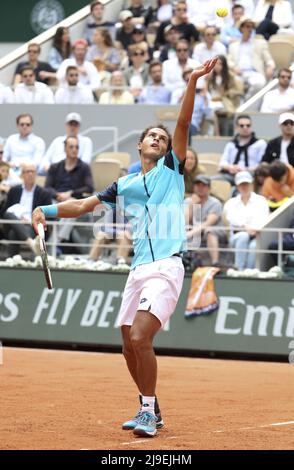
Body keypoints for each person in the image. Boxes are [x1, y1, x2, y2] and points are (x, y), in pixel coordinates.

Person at [32, 58, 217, 438]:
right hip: (138, 269)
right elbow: (83, 206)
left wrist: (194, 81)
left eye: (162, 140)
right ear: (139, 144)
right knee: (127, 347)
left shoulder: (171, 171)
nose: (158, 140)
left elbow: (182, 124)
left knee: (140, 338)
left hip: (167, 265)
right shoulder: (126, 184)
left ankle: (147, 413)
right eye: (152, 136)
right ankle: (151, 407)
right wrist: (44, 209)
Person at [1, 163, 52, 256]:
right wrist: (19, 220)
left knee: (14, 233)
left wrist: (31, 221)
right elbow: (4, 211)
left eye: (32, 171)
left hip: (33, 225)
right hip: (15, 222)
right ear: (22, 175)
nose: (30, 174)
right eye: (27, 171)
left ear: (36, 174)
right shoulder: (14, 191)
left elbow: (48, 215)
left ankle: (12, 262)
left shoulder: (44, 193)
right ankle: (31, 243)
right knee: (8, 214)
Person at [223, 170, 269, 270]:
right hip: (237, 236)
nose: (244, 187)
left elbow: (263, 218)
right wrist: (245, 227)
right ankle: (239, 270)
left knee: (254, 246)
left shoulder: (261, 201)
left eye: (247, 184)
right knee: (243, 236)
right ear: (237, 186)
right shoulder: (231, 203)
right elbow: (231, 218)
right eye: (241, 184)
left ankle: (248, 273)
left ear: (251, 184)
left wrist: (253, 229)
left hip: (257, 235)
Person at [227, 16, 275, 99]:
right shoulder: (233, 45)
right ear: (241, 28)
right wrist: (234, 67)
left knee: (259, 83)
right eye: (247, 26)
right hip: (237, 73)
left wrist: (270, 67)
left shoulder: (260, 43)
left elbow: (269, 59)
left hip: (254, 73)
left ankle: (245, 105)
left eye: (251, 27)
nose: (250, 29)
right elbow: (228, 60)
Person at [185, 175, 227, 266]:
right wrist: (192, 205)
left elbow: (209, 223)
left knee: (209, 231)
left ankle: (215, 263)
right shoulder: (188, 201)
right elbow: (184, 221)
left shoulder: (215, 203)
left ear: (209, 188)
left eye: (203, 185)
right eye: (198, 185)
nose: (200, 188)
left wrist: (190, 233)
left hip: (214, 231)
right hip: (194, 233)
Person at [218, 114, 267, 184]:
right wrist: (230, 167)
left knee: (243, 180)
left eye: (248, 125)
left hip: (251, 174)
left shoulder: (260, 143)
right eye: (242, 126)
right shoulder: (231, 144)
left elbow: (262, 164)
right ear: (236, 128)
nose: (245, 128)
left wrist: (246, 170)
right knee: (213, 180)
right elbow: (222, 162)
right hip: (232, 175)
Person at [205, 55, 244, 136]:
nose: (217, 66)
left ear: (224, 65)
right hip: (211, 100)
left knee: (212, 110)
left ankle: (217, 135)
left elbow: (235, 90)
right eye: (216, 64)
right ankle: (210, 133)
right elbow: (206, 90)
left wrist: (224, 94)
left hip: (223, 101)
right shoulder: (209, 76)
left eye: (220, 64)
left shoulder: (229, 77)